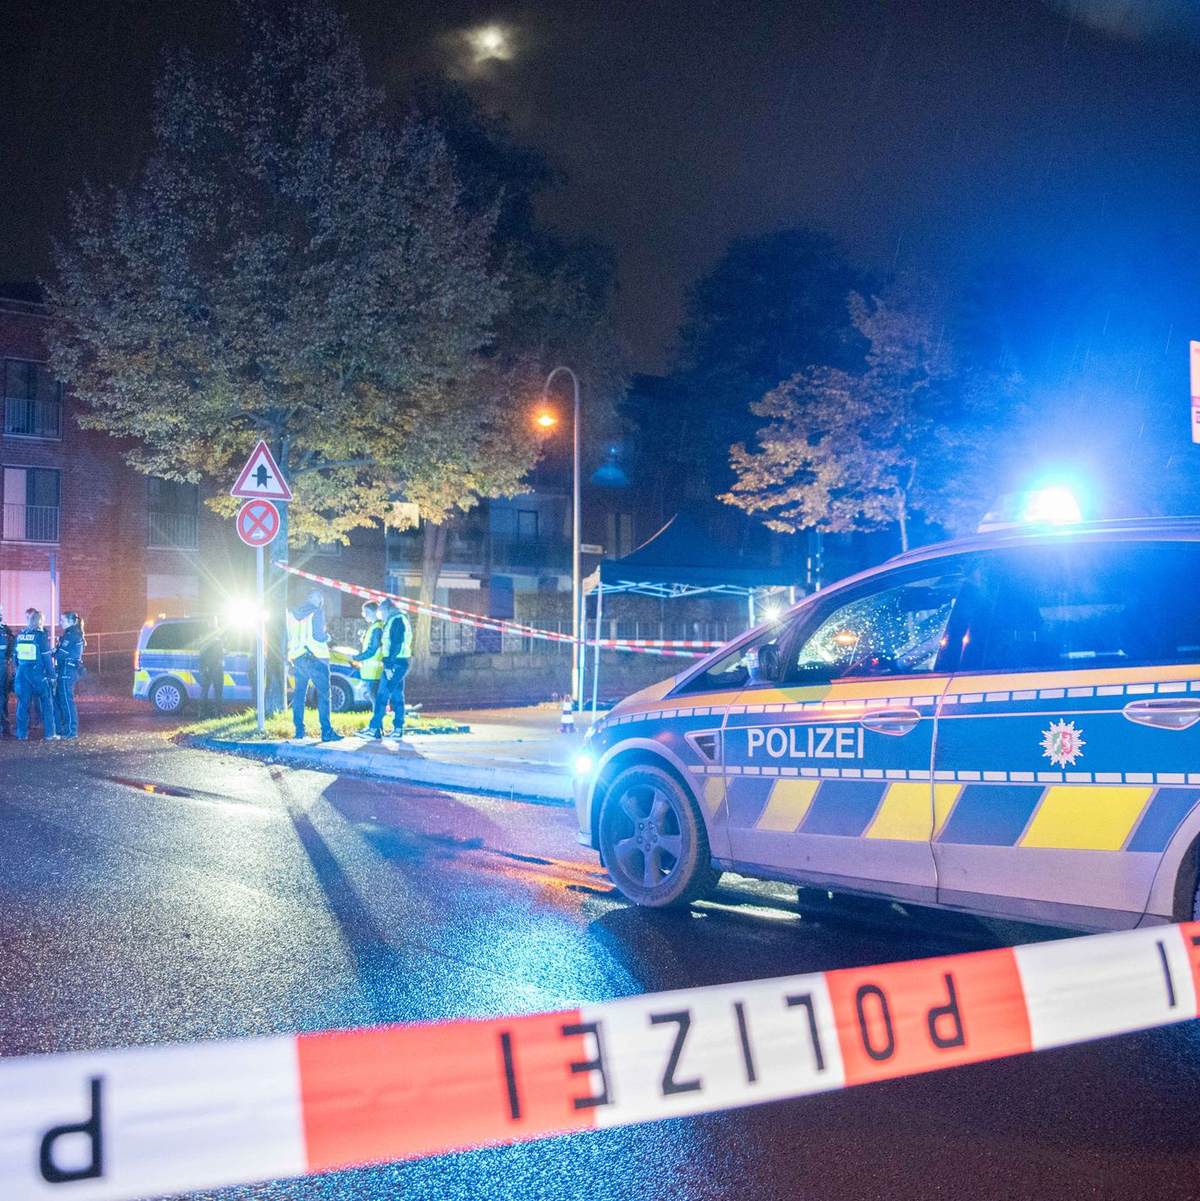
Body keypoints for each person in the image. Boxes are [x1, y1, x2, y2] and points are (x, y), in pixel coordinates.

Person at [286, 588, 342, 743]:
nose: (321, 601)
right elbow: (318, 636)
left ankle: (299, 731)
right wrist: (328, 637)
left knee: (299, 695)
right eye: (320, 598)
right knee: (324, 695)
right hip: (316, 657)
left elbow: (287, 637)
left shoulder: (291, 615)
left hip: (297, 658)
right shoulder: (317, 612)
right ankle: (326, 732)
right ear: (316, 598)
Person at [364, 598, 412, 741]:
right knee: (397, 697)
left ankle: (373, 728)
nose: (381, 616)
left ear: (386, 610)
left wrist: (389, 665)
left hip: (395, 663)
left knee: (382, 696)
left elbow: (396, 644)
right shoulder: (398, 619)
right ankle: (397, 730)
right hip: (400, 663)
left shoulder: (396, 620)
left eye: (381, 612)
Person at [14, 609, 57, 741]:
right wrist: (52, 675)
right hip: (37, 673)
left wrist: (19, 669)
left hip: (22, 673)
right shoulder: (40, 636)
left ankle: (22, 734)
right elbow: (46, 658)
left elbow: (15, 656)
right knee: (46, 702)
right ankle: (50, 733)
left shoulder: (20, 636)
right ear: (39, 621)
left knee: (23, 704)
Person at [53, 612, 86, 739]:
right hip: (68, 670)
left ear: (71, 621)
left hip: (67, 670)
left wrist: (54, 652)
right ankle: (67, 729)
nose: (61, 622)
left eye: (63, 620)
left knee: (67, 701)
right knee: (63, 700)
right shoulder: (73, 634)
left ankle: (71, 731)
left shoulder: (71, 635)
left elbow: (61, 654)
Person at [351, 601, 384, 704]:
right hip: (374, 672)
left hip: (373, 673)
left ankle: (378, 720)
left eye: (365, 612)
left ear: (370, 612)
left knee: (376, 702)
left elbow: (372, 650)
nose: (364, 615)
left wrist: (356, 658)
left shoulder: (377, 628)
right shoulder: (377, 626)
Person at [197, 616, 226, 718]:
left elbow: (202, 652)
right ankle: (218, 714)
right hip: (215, 666)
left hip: (209, 666)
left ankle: (203, 714)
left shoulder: (204, 634)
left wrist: (202, 667)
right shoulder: (219, 634)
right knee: (217, 691)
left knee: (205, 691)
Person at [0, 604, 13, 738]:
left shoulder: (5, 630)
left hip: (4, 665)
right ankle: (5, 728)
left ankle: (5, 727)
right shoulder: (4, 631)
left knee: (3, 696)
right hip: (2, 666)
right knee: (2, 697)